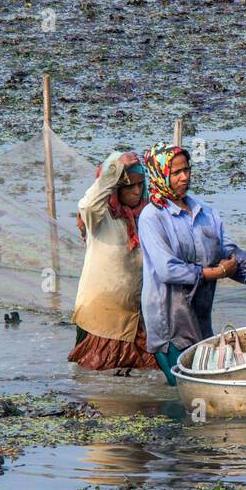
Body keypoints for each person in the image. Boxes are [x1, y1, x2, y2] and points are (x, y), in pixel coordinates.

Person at [136, 142, 246, 385]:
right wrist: (218, 272)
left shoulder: (205, 213)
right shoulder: (152, 217)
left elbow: (229, 252)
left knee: (205, 379)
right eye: (176, 173)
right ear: (160, 175)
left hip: (199, 312)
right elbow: (168, 270)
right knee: (186, 385)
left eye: (186, 170)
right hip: (169, 316)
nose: (184, 177)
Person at [68, 151, 159, 375]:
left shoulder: (146, 216)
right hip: (101, 315)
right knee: (95, 376)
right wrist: (113, 171)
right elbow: (89, 205)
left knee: (142, 380)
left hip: (135, 314)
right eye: (129, 186)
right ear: (116, 189)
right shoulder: (100, 218)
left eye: (140, 185)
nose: (137, 191)